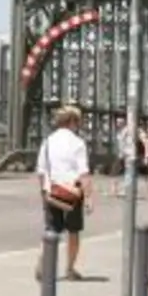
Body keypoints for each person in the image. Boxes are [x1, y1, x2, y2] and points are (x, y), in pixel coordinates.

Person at [36, 105, 93, 281]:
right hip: (72, 192)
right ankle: (69, 269)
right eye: (78, 121)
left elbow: (40, 170)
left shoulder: (47, 141)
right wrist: (89, 197)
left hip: (51, 189)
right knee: (73, 232)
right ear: (72, 122)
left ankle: (42, 264)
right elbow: (83, 173)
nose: (79, 125)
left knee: (51, 230)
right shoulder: (78, 143)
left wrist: (44, 191)